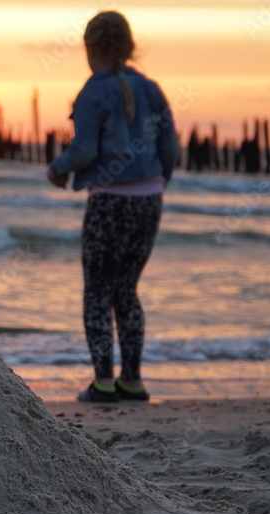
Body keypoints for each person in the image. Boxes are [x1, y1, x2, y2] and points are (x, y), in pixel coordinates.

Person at [47, 10, 178, 403]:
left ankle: (103, 382)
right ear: (128, 46)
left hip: (108, 203)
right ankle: (133, 381)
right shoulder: (151, 88)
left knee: (97, 293)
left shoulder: (93, 92)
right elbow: (170, 147)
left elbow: (85, 149)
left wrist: (57, 169)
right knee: (127, 290)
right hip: (149, 202)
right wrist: (157, 184)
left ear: (91, 48)